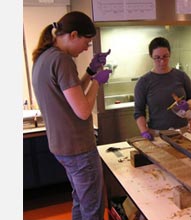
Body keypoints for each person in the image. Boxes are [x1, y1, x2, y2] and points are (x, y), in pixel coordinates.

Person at [32, 11, 112, 219]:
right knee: (93, 207)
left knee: (81, 199)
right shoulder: (63, 60)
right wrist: (98, 82)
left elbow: (70, 94)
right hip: (79, 148)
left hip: (63, 148)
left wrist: (91, 72)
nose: (87, 48)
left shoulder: (44, 57)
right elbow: (83, 110)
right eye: (87, 42)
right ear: (74, 35)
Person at [134, 37, 191, 140]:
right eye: (157, 58)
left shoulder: (181, 76)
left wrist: (187, 104)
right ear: (151, 56)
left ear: (170, 54)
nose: (162, 61)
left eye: (165, 56)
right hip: (157, 133)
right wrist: (144, 131)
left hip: (183, 131)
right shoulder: (144, 82)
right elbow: (139, 111)